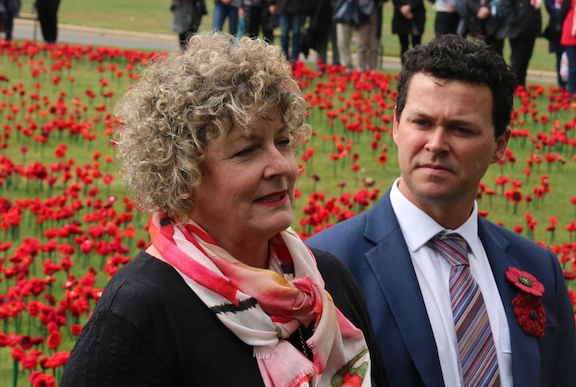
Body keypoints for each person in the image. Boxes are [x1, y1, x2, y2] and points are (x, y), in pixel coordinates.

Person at [61, 32, 387, 387]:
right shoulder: (142, 311)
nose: (280, 166)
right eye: (247, 150)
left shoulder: (327, 281)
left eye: (282, 141)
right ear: (183, 173)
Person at [307, 35, 576, 387]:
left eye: (460, 129)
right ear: (396, 125)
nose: (436, 144)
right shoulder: (327, 267)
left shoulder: (535, 268)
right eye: (422, 123)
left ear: (500, 144)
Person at [499, 0, 544, 88]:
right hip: (519, 30)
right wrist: (515, 20)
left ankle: (521, 87)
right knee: (518, 61)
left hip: (530, 29)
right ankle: (513, 88)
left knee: (525, 60)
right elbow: (505, 2)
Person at [544, 0, 576, 88]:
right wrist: (560, 16)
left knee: (573, 57)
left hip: (572, 26)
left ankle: (573, 85)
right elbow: (548, 3)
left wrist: (568, 17)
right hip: (557, 27)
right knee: (559, 58)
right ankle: (561, 85)